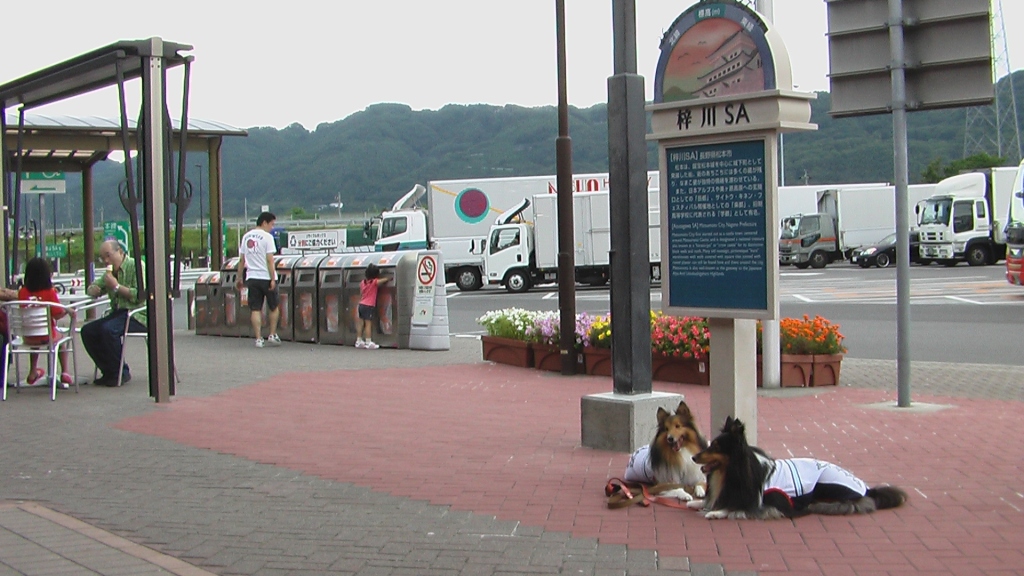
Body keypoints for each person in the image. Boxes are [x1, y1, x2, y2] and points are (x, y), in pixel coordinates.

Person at [83, 240, 146, 386]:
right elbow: (95, 286)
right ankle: (109, 370)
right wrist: (93, 290)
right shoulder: (110, 273)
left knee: (108, 330)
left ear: (120, 252)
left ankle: (121, 372)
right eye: (102, 258)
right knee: (88, 331)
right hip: (117, 312)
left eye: (108, 255)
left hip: (137, 313)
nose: (106, 261)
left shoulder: (136, 266)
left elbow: (140, 296)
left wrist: (116, 286)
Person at [18, 257, 73, 388]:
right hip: (48, 336)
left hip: (28, 336)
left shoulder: (22, 292)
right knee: (61, 341)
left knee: (35, 339)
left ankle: (33, 371)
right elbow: (57, 314)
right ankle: (65, 371)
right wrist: (68, 311)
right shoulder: (49, 293)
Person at [236, 211, 281, 348]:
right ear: (264, 223)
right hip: (266, 277)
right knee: (273, 306)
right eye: (271, 224)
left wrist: (239, 277)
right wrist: (272, 278)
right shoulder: (267, 237)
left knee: (255, 308)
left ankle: (258, 338)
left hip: (252, 277)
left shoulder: (246, 237)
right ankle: (272, 334)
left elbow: (242, 260)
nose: (272, 228)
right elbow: (270, 260)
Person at [356, 263, 389, 349]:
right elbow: (384, 280)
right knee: (368, 323)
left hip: (361, 304)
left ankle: (358, 341)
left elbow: (361, 293)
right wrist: (388, 278)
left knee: (361, 323)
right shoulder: (374, 282)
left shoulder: (362, 282)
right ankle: (368, 341)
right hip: (369, 305)